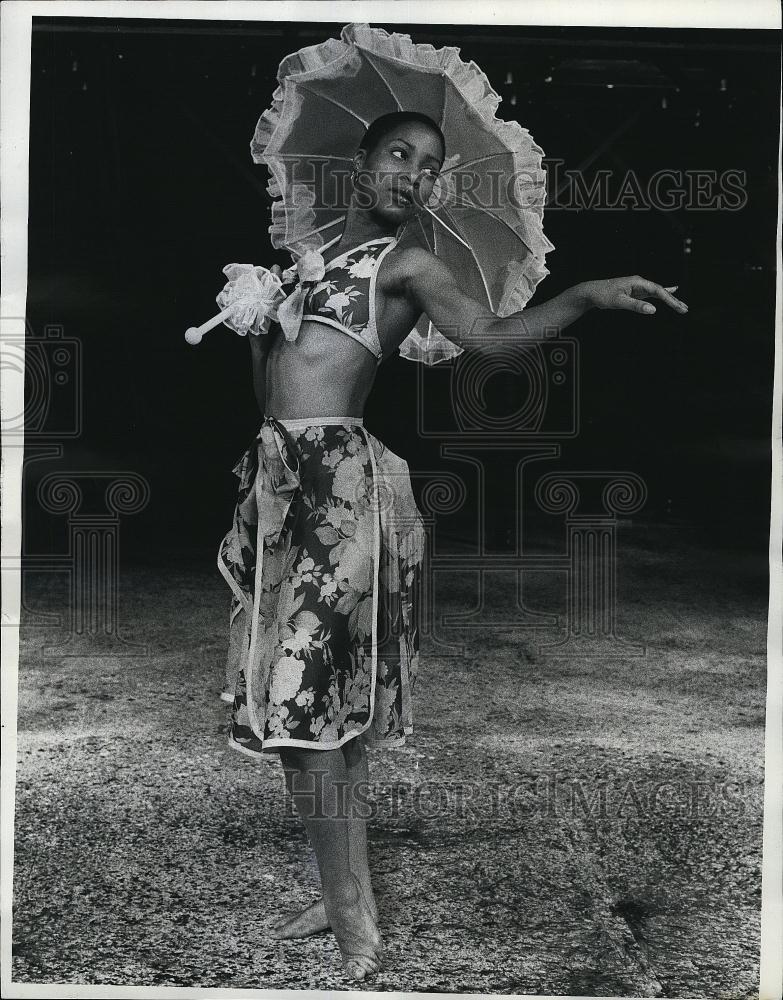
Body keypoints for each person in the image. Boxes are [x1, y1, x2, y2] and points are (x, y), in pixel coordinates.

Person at [218, 110, 688, 982]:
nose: (413, 175)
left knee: (302, 701)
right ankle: (337, 891)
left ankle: (354, 916)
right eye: (399, 155)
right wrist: (257, 317)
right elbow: (269, 400)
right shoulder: (302, 265)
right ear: (361, 163)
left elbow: (489, 338)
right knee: (304, 713)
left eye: (430, 168)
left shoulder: (408, 266)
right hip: (279, 490)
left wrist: (584, 296)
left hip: (343, 494)